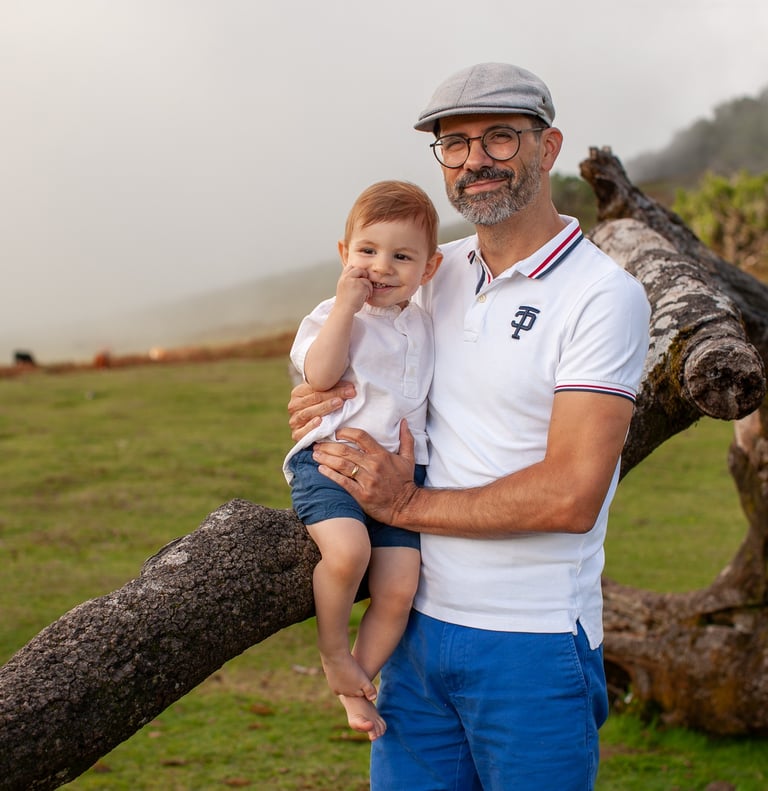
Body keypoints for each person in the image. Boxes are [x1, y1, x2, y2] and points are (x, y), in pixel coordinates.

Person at [288, 63, 650, 790]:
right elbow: (346, 360)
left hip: (532, 639)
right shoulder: (425, 270)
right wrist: (316, 400)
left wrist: (406, 505)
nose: (474, 159)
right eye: (454, 144)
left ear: (548, 149)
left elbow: (572, 494)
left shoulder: (602, 297)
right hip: (415, 628)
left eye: (499, 138)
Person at [283, 180, 443, 741]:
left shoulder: (424, 322)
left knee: (401, 588)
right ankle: (332, 653)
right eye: (367, 251)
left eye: (402, 256)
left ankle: (357, 684)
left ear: (428, 269)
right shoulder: (330, 314)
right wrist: (347, 307)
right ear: (343, 255)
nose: (381, 266)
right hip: (330, 467)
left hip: (405, 481)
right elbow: (320, 376)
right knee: (348, 554)